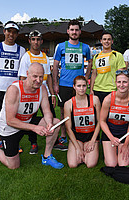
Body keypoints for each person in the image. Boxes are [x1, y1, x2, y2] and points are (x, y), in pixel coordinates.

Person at [0, 63, 64, 169]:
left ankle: (47, 156)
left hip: (27, 121)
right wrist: (35, 128)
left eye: (41, 77)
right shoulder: (14, 90)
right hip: (10, 127)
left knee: (55, 122)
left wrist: (49, 123)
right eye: (35, 76)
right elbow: (10, 120)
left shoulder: (42, 89)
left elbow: (46, 111)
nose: (38, 80)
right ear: (27, 74)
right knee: (13, 166)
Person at [53, 19, 92, 147]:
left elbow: (90, 62)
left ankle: (77, 133)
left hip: (79, 85)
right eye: (72, 30)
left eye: (76, 30)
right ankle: (63, 135)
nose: (74, 32)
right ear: (68, 31)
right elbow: (55, 65)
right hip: (64, 84)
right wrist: (55, 83)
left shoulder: (85, 47)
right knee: (64, 111)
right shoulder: (61, 46)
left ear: (80, 32)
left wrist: (86, 76)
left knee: (79, 110)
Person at [0, 21, 26, 148]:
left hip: (14, 90)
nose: (11, 34)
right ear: (4, 31)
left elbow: (22, 71)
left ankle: (12, 141)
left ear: (17, 34)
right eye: (9, 31)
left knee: (13, 118)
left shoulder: (21, 50)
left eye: (14, 32)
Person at [18, 30, 58, 153]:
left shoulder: (44, 56)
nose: (36, 42)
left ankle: (54, 140)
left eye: (38, 39)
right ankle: (33, 143)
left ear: (41, 41)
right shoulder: (26, 57)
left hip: (44, 93)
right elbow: (22, 78)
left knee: (51, 115)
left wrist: (52, 94)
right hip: (31, 94)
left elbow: (48, 76)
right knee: (31, 117)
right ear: (29, 41)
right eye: (33, 39)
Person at [100, 70, 129, 167]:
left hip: (124, 133)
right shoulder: (108, 99)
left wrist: (126, 144)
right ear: (116, 83)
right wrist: (111, 138)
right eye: (119, 82)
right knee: (111, 164)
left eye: (125, 82)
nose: (121, 85)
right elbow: (102, 121)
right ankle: (112, 148)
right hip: (110, 132)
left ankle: (123, 146)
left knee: (123, 165)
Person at [64, 76, 101, 168]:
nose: (81, 89)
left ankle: (89, 147)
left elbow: (100, 122)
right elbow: (68, 128)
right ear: (74, 87)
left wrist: (93, 141)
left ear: (87, 86)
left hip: (91, 136)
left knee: (90, 164)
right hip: (77, 137)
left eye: (84, 86)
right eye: (79, 86)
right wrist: (77, 147)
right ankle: (80, 147)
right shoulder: (68, 104)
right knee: (72, 164)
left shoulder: (95, 100)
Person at [90, 31, 126, 103]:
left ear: (112, 41)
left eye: (109, 39)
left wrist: (120, 89)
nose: (107, 41)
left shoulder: (118, 55)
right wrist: (91, 89)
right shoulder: (96, 57)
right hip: (97, 89)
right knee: (98, 114)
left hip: (111, 89)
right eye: (104, 39)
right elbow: (94, 74)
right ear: (101, 41)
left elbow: (120, 75)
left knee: (110, 114)